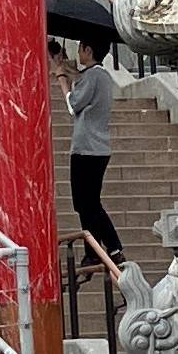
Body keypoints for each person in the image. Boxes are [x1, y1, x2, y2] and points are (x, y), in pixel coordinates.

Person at [67, 48, 119, 270]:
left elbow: (74, 104)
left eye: (80, 47)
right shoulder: (102, 76)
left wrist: (61, 77)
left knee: (84, 202)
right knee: (91, 202)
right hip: (98, 148)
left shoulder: (93, 75)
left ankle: (95, 250)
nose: (78, 51)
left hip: (86, 147)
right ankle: (112, 248)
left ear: (89, 49)